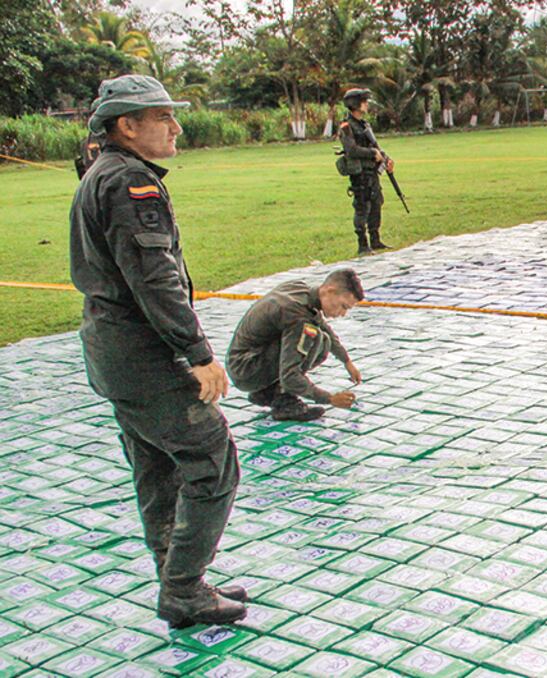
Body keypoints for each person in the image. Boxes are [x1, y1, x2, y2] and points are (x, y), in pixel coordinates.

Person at [69, 75, 247, 629]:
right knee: (213, 462)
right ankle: (183, 588)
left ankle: (181, 578)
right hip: (144, 356)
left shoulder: (108, 173)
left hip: (114, 354)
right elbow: (154, 279)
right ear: (127, 125)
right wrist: (196, 352)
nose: (176, 127)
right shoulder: (129, 183)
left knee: (157, 470)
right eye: (162, 117)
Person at [226, 270, 364, 422]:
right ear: (329, 291)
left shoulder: (301, 290)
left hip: (243, 361)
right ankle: (285, 403)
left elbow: (324, 327)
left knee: (323, 338)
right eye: (343, 306)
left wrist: (346, 361)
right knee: (314, 337)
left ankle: (267, 392)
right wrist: (329, 398)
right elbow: (290, 374)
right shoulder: (297, 316)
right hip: (245, 370)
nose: (342, 313)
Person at [337, 88, 392, 256]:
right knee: (362, 207)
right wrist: (372, 154)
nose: (367, 104)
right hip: (360, 173)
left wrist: (385, 158)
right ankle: (363, 244)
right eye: (364, 101)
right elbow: (351, 149)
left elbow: (374, 146)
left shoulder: (364, 125)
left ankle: (375, 240)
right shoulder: (346, 127)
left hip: (371, 171)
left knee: (376, 203)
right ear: (355, 104)